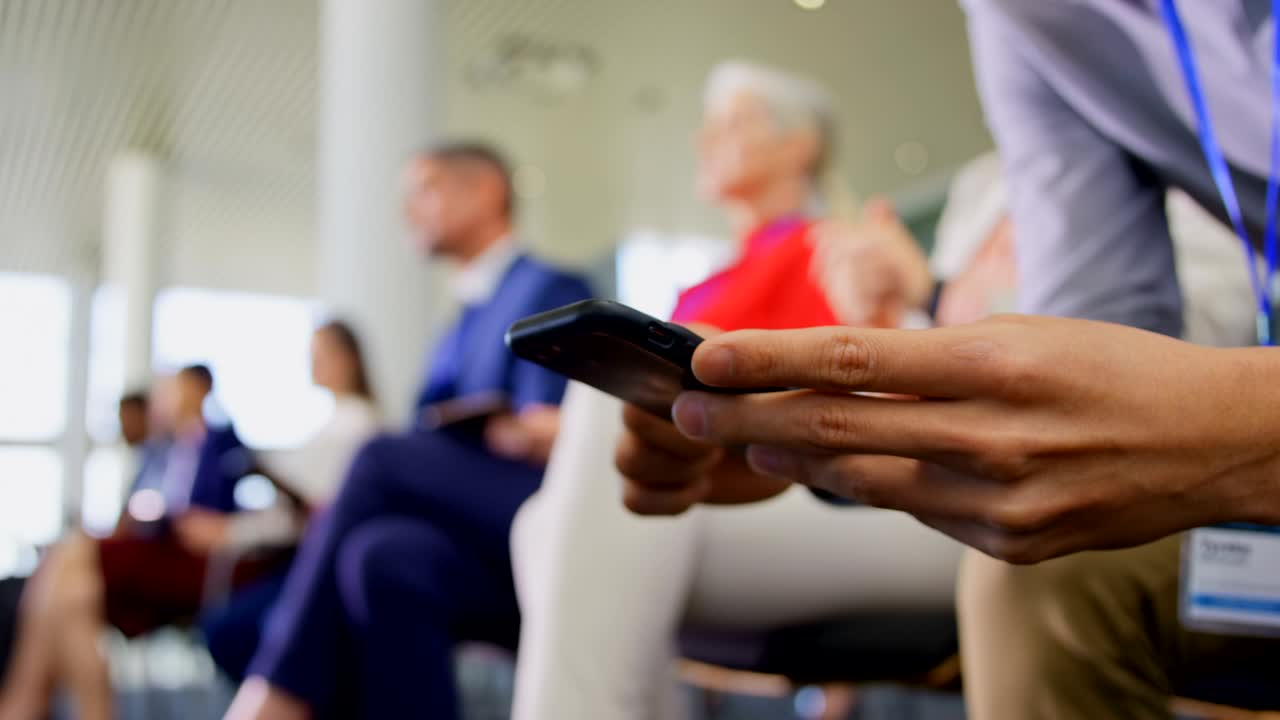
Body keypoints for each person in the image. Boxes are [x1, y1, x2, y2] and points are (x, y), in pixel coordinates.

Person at [614, 2, 1280, 718]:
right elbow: (1094, 348)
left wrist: (1248, 426)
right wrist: (821, 432)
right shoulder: (1036, 18)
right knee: (1044, 582)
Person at [509, 61, 962, 720]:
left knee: (590, 487)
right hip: (718, 487)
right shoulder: (711, 280)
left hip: (805, 491)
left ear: (798, 145)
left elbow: (859, 394)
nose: (706, 140)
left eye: (734, 123)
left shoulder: (836, 251)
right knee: (539, 525)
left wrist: (895, 299)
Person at [225, 141, 592, 720]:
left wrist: (521, 430)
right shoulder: (459, 320)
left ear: (486, 191)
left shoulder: (550, 288)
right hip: (469, 539)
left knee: (380, 457)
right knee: (380, 558)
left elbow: (560, 429)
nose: (409, 212)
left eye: (425, 190)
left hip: (533, 512)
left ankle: (276, 696)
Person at [0, 365, 257, 720]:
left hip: (188, 561)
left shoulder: (222, 442)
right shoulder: (160, 448)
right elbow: (137, 505)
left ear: (200, 390)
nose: (167, 399)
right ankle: (50, 704)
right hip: (148, 549)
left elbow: (227, 516)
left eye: (175, 389)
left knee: (70, 561)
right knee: (73, 594)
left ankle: (28, 702)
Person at [200, 320, 381, 682]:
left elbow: (307, 509)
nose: (312, 365)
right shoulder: (334, 422)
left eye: (320, 356)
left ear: (348, 360)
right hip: (298, 554)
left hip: (321, 559)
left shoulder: (355, 425)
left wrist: (230, 532)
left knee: (232, 633)